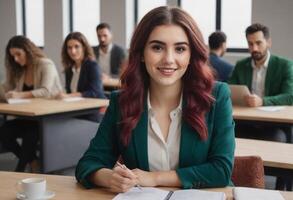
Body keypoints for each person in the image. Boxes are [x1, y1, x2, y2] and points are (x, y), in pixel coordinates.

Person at [76, 6, 235, 192]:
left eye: (180, 49)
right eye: (157, 47)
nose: (168, 59)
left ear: (191, 55)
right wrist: (110, 177)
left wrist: (154, 178)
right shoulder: (121, 102)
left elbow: (221, 171)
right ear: (141, 53)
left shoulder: (216, 97)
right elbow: (88, 164)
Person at [0, 35, 63, 172]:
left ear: (27, 51)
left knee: (31, 133)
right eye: (13, 56)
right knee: (4, 132)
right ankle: (33, 161)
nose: (16, 59)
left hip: (48, 117)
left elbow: (46, 91)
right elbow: (6, 86)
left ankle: (19, 169)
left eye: (18, 54)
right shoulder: (20, 68)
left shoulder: (45, 64)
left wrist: (20, 94)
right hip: (29, 117)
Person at [229, 23, 293, 107]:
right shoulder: (240, 65)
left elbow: (289, 96)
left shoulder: (285, 65)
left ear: (268, 42)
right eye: (250, 44)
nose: (254, 48)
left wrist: (263, 101)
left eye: (258, 43)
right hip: (245, 114)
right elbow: (229, 91)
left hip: (273, 117)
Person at [57, 32, 106, 122]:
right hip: (75, 110)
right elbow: (70, 91)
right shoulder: (69, 69)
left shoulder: (92, 66)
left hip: (92, 113)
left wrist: (68, 96)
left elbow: (95, 92)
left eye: (76, 46)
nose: (73, 51)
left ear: (84, 47)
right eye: (69, 48)